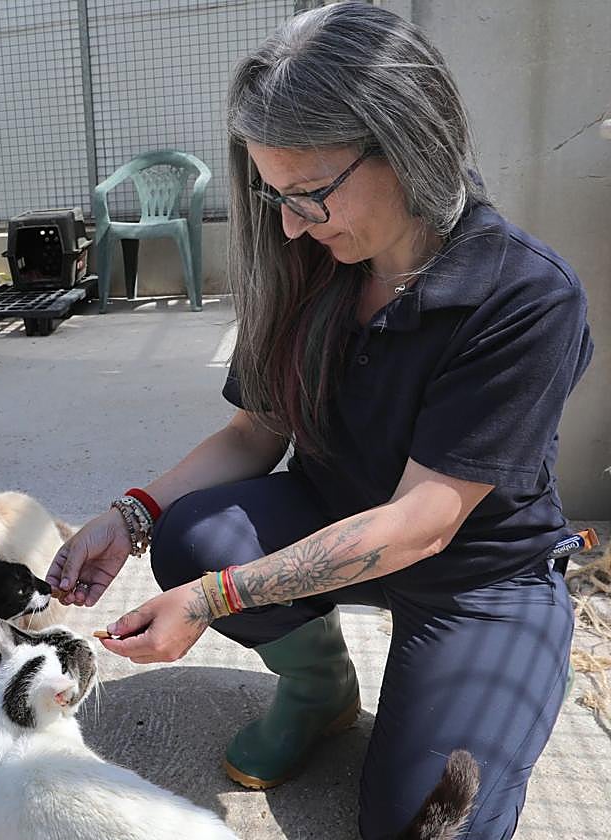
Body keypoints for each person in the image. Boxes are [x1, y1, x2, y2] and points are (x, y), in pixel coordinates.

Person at [46, 4, 593, 838]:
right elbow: (253, 433)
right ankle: (320, 689)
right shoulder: (309, 262)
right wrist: (130, 517)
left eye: (308, 194)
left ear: (408, 143)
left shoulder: (524, 295)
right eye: (276, 195)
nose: (290, 223)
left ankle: (503, 663)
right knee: (194, 536)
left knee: (427, 821)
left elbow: (422, 524)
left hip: (477, 573)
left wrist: (216, 599)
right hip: (333, 513)